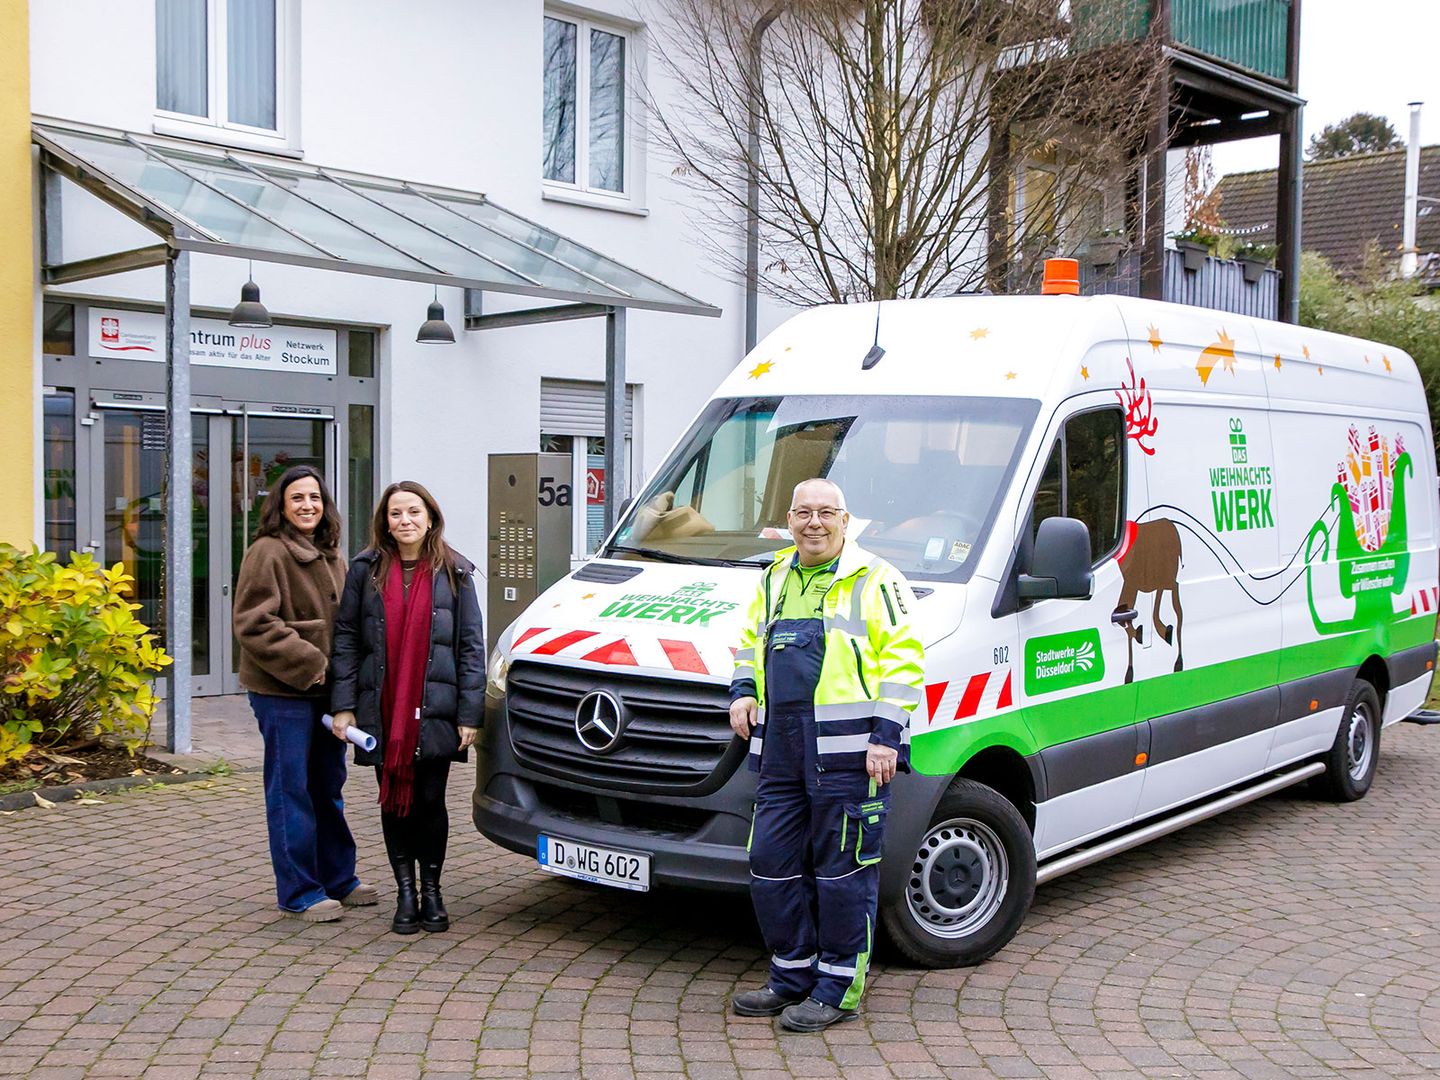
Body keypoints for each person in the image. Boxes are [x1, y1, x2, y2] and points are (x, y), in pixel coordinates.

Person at [728, 478, 925, 1031]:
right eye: (803, 513)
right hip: (780, 750)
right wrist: (742, 691)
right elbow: (748, 642)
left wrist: (886, 736)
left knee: (843, 875)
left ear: (845, 519)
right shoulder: (773, 577)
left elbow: (905, 661)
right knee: (771, 864)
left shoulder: (876, 579)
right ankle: (791, 976)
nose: (813, 523)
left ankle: (838, 988)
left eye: (825, 513)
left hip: (849, 752)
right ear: (789, 520)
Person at [328, 481, 484, 935]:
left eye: (414, 512)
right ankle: (405, 893)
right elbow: (348, 640)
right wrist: (344, 706)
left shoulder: (455, 572)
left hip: (437, 706)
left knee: (430, 801)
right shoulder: (366, 570)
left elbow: (471, 647)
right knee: (395, 803)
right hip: (383, 705)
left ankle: (432, 891)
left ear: (431, 518)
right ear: (386, 522)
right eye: (396, 514)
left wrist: (469, 714)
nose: (405, 521)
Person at [233, 464, 377, 922]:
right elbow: (254, 624)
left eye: (314, 497)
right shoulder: (268, 552)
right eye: (297, 498)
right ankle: (299, 891)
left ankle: (339, 878)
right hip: (283, 694)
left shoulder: (331, 552)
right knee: (290, 789)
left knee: (327, 787)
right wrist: (317, 667)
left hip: (327, 695)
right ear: (281, 504)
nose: (308, 506)